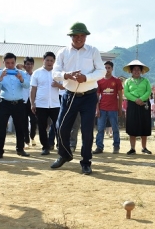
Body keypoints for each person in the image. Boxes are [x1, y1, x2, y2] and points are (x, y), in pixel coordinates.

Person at [51, 22, 106, 175]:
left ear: (86, 37)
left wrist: (86, 77)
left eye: (82, 36)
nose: (79, 38)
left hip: (89, 96)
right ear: (71, 36)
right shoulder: (63, 52)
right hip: (69, 95)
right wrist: (67, 75)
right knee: (61, 127)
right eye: (76, 35)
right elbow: (55, 73)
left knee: (87, 130)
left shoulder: (93, 51)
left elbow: (101, 71)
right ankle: (65, 154)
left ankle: (86, 162)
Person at [0, 52, 31, 159]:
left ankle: (20, 149)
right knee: (1, 128)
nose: (10, 65)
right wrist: (1, 78)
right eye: (7, 63)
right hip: (5, 103)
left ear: (15, 62)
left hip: (18, 103)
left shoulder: (21, 73)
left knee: (20, 127)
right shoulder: (0, 73)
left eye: (12, 63)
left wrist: (21, 79)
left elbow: (27, 85)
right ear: (3, 62)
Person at [30, 52, 61, 156]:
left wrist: (58, 85)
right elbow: (33, 89)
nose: (49, 62)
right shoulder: (37, 73)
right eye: (47, 60)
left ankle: (60, 146)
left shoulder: (58, 73)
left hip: (55, 104)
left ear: (54, 61)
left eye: (51, 60)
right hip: (41, 104)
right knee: (42, 127)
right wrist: (32, 103)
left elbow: (65, 86)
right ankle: (45, 147)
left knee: (59, 126)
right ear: (43, 60)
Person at [93, 61, 123, 154]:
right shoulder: (99, 81)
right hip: (102, 108)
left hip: (113, 109)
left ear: (112, 69)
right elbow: (97, 97)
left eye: (109, 68)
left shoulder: (117, 81)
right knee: (100, 128)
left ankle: (116, 146)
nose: (107, 70)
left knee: (115, 128)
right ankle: (99, 147)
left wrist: (120, 108)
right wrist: (97, 109)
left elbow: (120, 96)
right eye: (105, 68)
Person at [123, 60, 152, 155]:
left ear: (141, 71)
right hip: (132, 104)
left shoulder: (146, 81)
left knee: (144, 125)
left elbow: (148, 91)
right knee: (132, 125)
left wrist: (142, 99)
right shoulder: (127, 81)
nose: (136, 71)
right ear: (131, 71)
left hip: (144, 104)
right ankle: (132, 148)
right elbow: (126, 93)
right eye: (134, 69)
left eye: (138, 69)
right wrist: (135, 100)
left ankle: (144, 147)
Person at [22, 57, 37, 147]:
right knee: (24, 121)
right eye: (27, 64)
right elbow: (16, 67)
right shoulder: (21, 74)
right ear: (25, 65)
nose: (29, 66)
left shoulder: (36, 75)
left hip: (33, 101)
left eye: (31, 64)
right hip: (23, 101)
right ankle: (26, 140)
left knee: (34, 120)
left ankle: (32, 136)